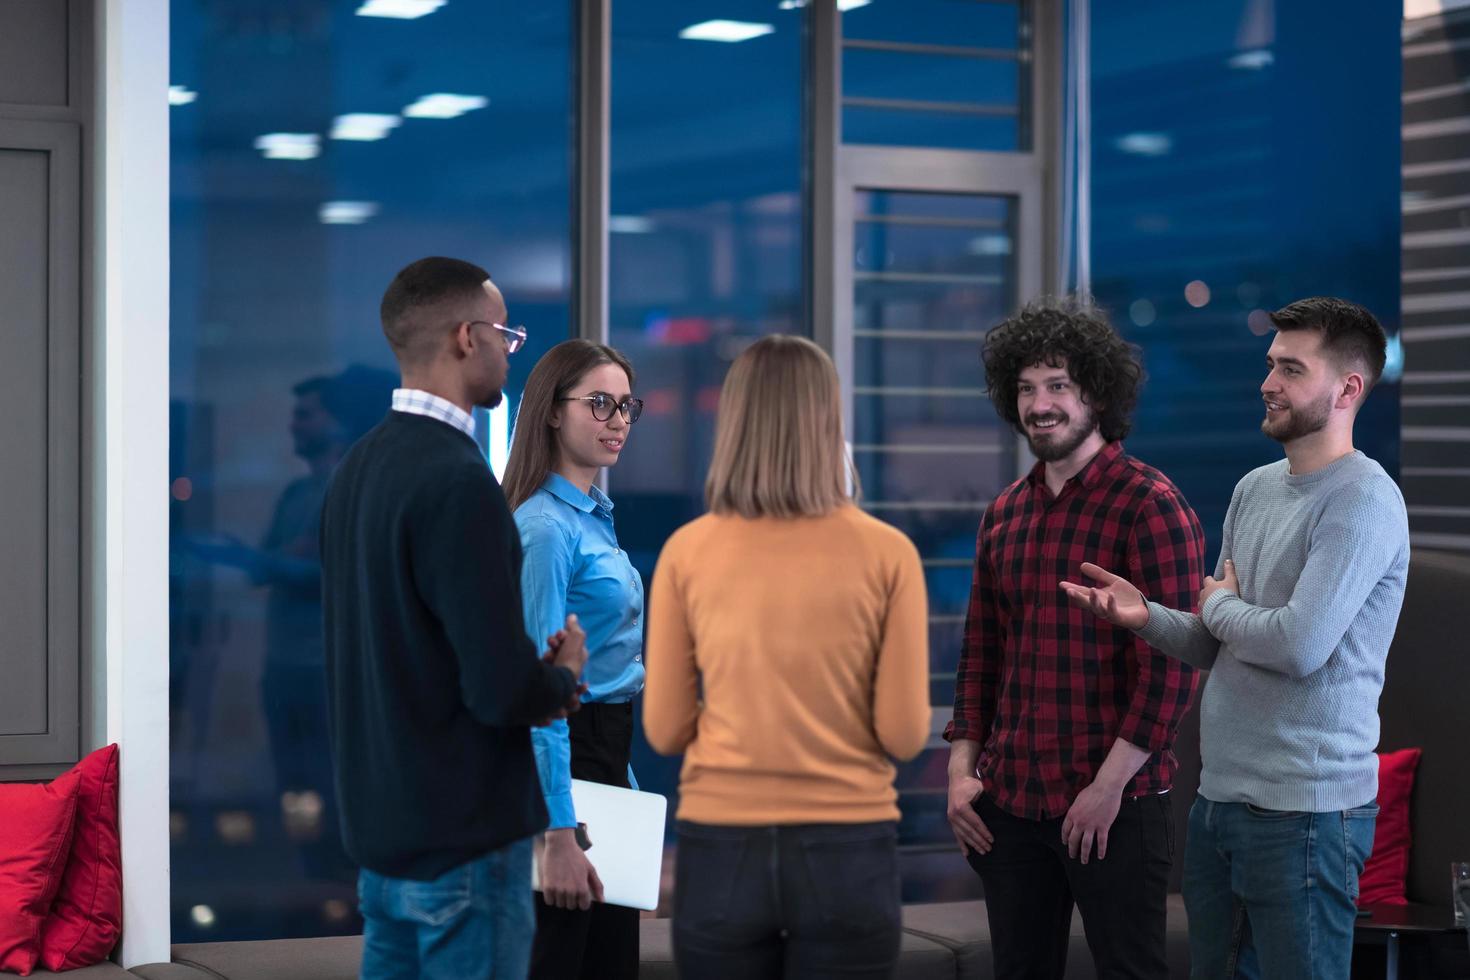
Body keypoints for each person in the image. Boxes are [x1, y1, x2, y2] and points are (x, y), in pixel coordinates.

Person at [1062, 296, 1409, 980]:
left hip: (1306, 815)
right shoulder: (1255, 489)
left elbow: (1297, 646)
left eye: (1290, 368)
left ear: (1347, 389)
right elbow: (1222, 644)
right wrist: (1148, 617)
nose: (1267, 382)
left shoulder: (1364, 500)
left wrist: (1219, 609)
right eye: (1269, 364)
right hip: (1220, 801)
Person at [320, 256, 588, 979]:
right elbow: (498, 692)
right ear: (468, 337)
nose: (510, 349)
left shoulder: (356, 470)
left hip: (383, 847)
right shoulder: (458, 480)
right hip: (465, 847)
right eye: (507, 333)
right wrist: (561, 678)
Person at [643, 334, 930, 980]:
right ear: (829, 420)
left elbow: (664, 729)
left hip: (722, 854)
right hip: (848, 852)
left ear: (734, 421)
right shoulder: (889, 555)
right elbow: (906, 734)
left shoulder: (687, 553)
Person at [945, 300, 1204, 980]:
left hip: (1116, 805)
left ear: (1096, 391)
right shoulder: (1004, 513)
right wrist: (960, 773)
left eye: (1058, 385)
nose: (1041, 404)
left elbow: (1176, 667)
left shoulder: (1151, 503)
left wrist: (1107, 786)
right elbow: (980, 657)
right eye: (1027, 388)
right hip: (1013, 804)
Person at [501, 340, 646, 980]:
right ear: (552, 412)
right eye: (599, 403)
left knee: (609, 962)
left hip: (605, 758)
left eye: (625, 406)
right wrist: (558, 829)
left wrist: (625, 791)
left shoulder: (590, 516)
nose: (617, 420)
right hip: (567, 760)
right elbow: (540, 693)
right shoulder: (546, 528)